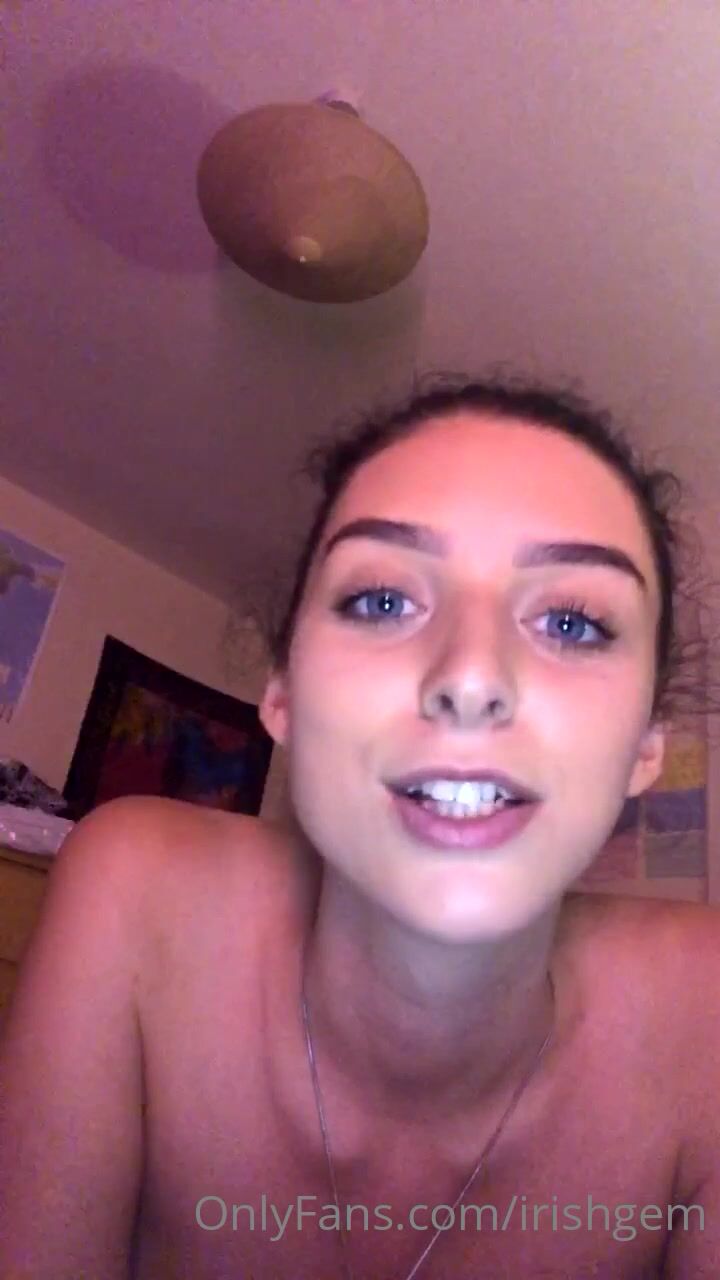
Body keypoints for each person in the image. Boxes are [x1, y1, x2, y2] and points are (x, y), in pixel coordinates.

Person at [1, 375, 718, 1280]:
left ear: (647, 748)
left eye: (573, 621)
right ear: (284, 697)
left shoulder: (707, 1010)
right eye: (382, 601)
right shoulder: (135, 893)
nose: (470, 676)